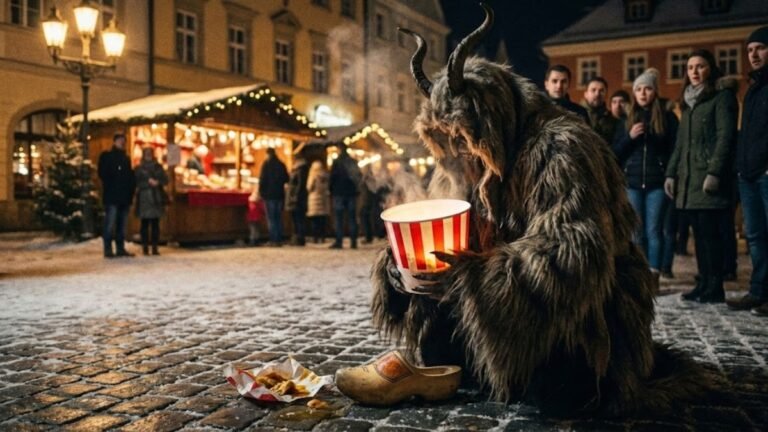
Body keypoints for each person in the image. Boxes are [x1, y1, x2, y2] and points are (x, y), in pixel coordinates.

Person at [365, 5, 717, 417]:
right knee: (440, 351)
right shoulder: (454, 164)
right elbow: (438, 235)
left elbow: (574, 258)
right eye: (444, 141)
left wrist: (472, 275)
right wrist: (403, 267)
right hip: (496, 305)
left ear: (488, 122)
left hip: (588, 318)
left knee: (563, 395)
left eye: (461, 138)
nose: (456, 153)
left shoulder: (561, 147)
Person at [664, 49, 738, 303]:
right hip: (688, 181)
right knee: (698, 235)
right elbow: (680, 144)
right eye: (690, 67)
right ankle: (704, 282)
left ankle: (715, 286)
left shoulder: (721, 97)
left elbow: (725, 137)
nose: (694, 72)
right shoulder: (688, 103)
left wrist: (715, 172)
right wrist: (671, 173)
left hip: (707, 179)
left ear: (711, 68)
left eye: (700, 66)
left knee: (711, 235)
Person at [613, 68, 678, 282]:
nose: (643, 93)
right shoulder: (627, 120)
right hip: (632, 184)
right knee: (636, 233)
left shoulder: (667, 118)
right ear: (634, 93)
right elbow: (615, 153)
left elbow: (673, 149)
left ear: (655, 92)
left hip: (657, 183)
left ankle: (654, 274)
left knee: (654, 230)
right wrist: (631, 137)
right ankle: (639, 274)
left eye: (648, 88)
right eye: (639, 89)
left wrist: (653, 135)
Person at [729, 26, 768, 315]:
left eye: (760, 48)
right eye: (750, 50)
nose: (753, 55)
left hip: (765, 173)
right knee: (754, 235)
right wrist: (742, 168)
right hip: (749, 174)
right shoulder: (753, 88)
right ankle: (759, 291)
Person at [98, 133, 135, 258]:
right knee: (110, 222)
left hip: (124, 196)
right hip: (112, 195)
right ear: (114, 141)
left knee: (121, 224)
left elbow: (130, 177)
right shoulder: (107, 156)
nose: (122, 142)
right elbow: (103, 174)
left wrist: (131, 191)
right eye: (120, 140)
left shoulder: (126, 158)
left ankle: (120, 248)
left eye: (123, 141)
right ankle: (108, 249)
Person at [134, 147, 168, 256]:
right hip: (144, 198)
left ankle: (154, 247)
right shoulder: (139, 168)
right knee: (144, 224)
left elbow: (166, 179)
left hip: (156, 197)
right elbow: (136, 182)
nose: (148, 155)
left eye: (150, 153)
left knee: (155, 224)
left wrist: (158, 182)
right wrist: (148, 183)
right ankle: (145, 247)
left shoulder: (158, 167)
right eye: (146, 153)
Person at [329, 145, 361, 249]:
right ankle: (353, 241)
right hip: (351, 193)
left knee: (339, 218)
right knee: (352, 218)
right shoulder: (352, 162)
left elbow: (332, 178)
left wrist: (331, 190)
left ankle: (339, 241)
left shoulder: (337, 162)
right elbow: (358, 176)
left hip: (339, 193)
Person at [259, 147, 289, 246]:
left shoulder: (266, 165)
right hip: (280, 195)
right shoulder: (281, 164)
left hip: (269, 195)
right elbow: (286, 179)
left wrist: (261, 193)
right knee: (278, 217)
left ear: (268, 154)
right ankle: (279, 238)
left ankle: (273, 239)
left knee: (271, 218)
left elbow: (262, 180)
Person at [583, 76, 618, 144]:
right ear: (586, 94)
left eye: (601, 90)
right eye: (593, 90)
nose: (597, 94)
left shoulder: (612, 119)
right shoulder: (577, 115)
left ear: (606, 94)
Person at [285, 157, 309, 246]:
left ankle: (299, 238)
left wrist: (295, 196)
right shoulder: (301, 170)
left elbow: (300, 184)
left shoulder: (300, 170)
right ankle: (298, 237)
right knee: (297, 219)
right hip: (298, 198)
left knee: (298, 219)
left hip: (297, 199)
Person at [306, 160, 330, 244]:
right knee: (322, 220)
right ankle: (322, 237)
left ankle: (315, 238)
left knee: (314, 221)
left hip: (314, 199)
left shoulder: (313, 175)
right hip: (323, 199)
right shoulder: (325, 175)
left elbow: (309, 187)